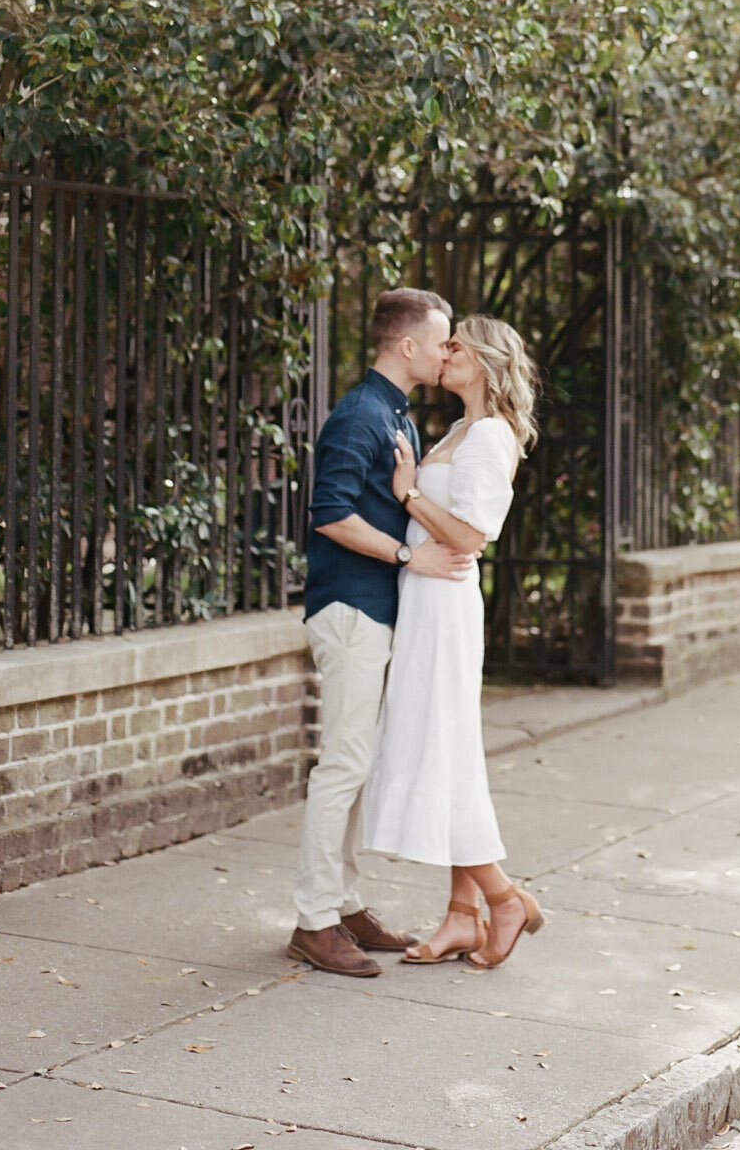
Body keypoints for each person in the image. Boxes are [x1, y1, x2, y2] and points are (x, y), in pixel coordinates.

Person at [288, 287, 473, 979]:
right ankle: (313, 920)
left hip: (377, 609)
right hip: (350, 609)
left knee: (358, 764)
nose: (447, 349)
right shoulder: (360, 414)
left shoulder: (394, 411)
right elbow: (329, 514)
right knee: (341, 764)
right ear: (407, 346)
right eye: (441, 339)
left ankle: (344, 901)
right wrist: (408, 555)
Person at [362, 314, 545, 969]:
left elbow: (471, 536)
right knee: (452, 755)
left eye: (456, 345)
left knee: (439, 752)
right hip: (427, 603)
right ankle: (462, 916)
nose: (444, 353)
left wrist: (409, 496)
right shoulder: (463, 430)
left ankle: (503, 898)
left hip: (445, 607)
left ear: (487, 360)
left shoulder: (491, 436)